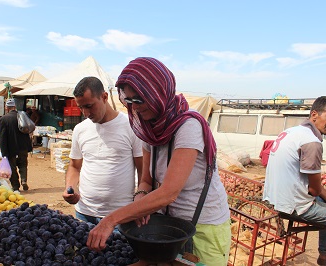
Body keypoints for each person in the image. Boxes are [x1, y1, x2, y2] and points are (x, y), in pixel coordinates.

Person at [86, 57, 231, 265]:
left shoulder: (188, 127)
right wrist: (140, 200)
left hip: (203, 229)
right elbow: (146, 180)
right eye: (129, 101)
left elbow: (168, 193)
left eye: (139, 99)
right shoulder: (149, 129)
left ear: (157, 92)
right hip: (166, 229)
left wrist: (111, 219)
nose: (134, 108)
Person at [62, 76, 143, 225]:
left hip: (121, 216)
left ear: (104, 97)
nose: (85, 113)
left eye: (89, 106)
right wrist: (70, 187)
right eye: (81, 108)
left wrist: (140, 204)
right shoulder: (80, 129)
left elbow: (143, 171)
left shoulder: (131, 126)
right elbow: (74, 166)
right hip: (84, 214)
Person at [263, 96, 326, 266]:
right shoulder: (312, 142)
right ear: (314, 115)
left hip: (274, 197)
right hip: (293, 206)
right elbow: (315, 190)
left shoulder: (291, 131)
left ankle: (324, 254)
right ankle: (324, 256)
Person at [0, 98, 32, 192]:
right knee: (23, 164)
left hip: (11, 148)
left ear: (6, 108)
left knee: (12, 167)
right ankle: (24, 180)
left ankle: (16, 186)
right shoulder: (22, 116)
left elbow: (2, 137)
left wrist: (4, 152)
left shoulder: (3, 119)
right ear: (15, 107)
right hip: (23, 147)